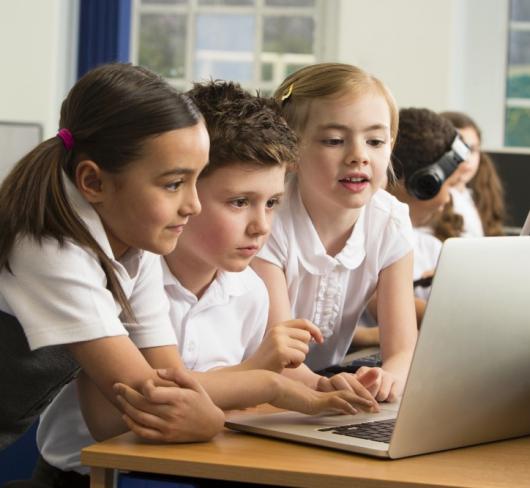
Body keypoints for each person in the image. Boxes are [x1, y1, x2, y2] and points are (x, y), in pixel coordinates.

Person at [30, 81, 378, 487]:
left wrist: (324, 387)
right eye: (238, 202)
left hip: (196, 466)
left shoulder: (248, 289)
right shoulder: (121, 276)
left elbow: (256, 373)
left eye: (272, 203)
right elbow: (123, 413)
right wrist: (266, 382)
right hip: (97, 477)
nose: (261, 226)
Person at [0, 63, 225, 456]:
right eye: (173, 184)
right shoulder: (47, 247)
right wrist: (211, 420)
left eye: (196, 179)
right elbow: (151, 398)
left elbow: (167, 380)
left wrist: (201, 411)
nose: (193, 205)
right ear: (94, 182)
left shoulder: (135, 244)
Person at [251, 63, 418, 402]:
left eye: (375, 141)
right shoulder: (269, 220)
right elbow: (275, 357)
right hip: (259, 391)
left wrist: (387, 380)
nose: (359, 156)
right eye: (334, 141)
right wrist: (326, 391)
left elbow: (403, 350)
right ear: (291, 152)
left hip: (326, 393)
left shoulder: (391, 221)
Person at [431, 111, 506, 240]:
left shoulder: (478, 196)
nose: (467, 159)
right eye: (458, 150)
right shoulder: (431, 202)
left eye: (472, 150)